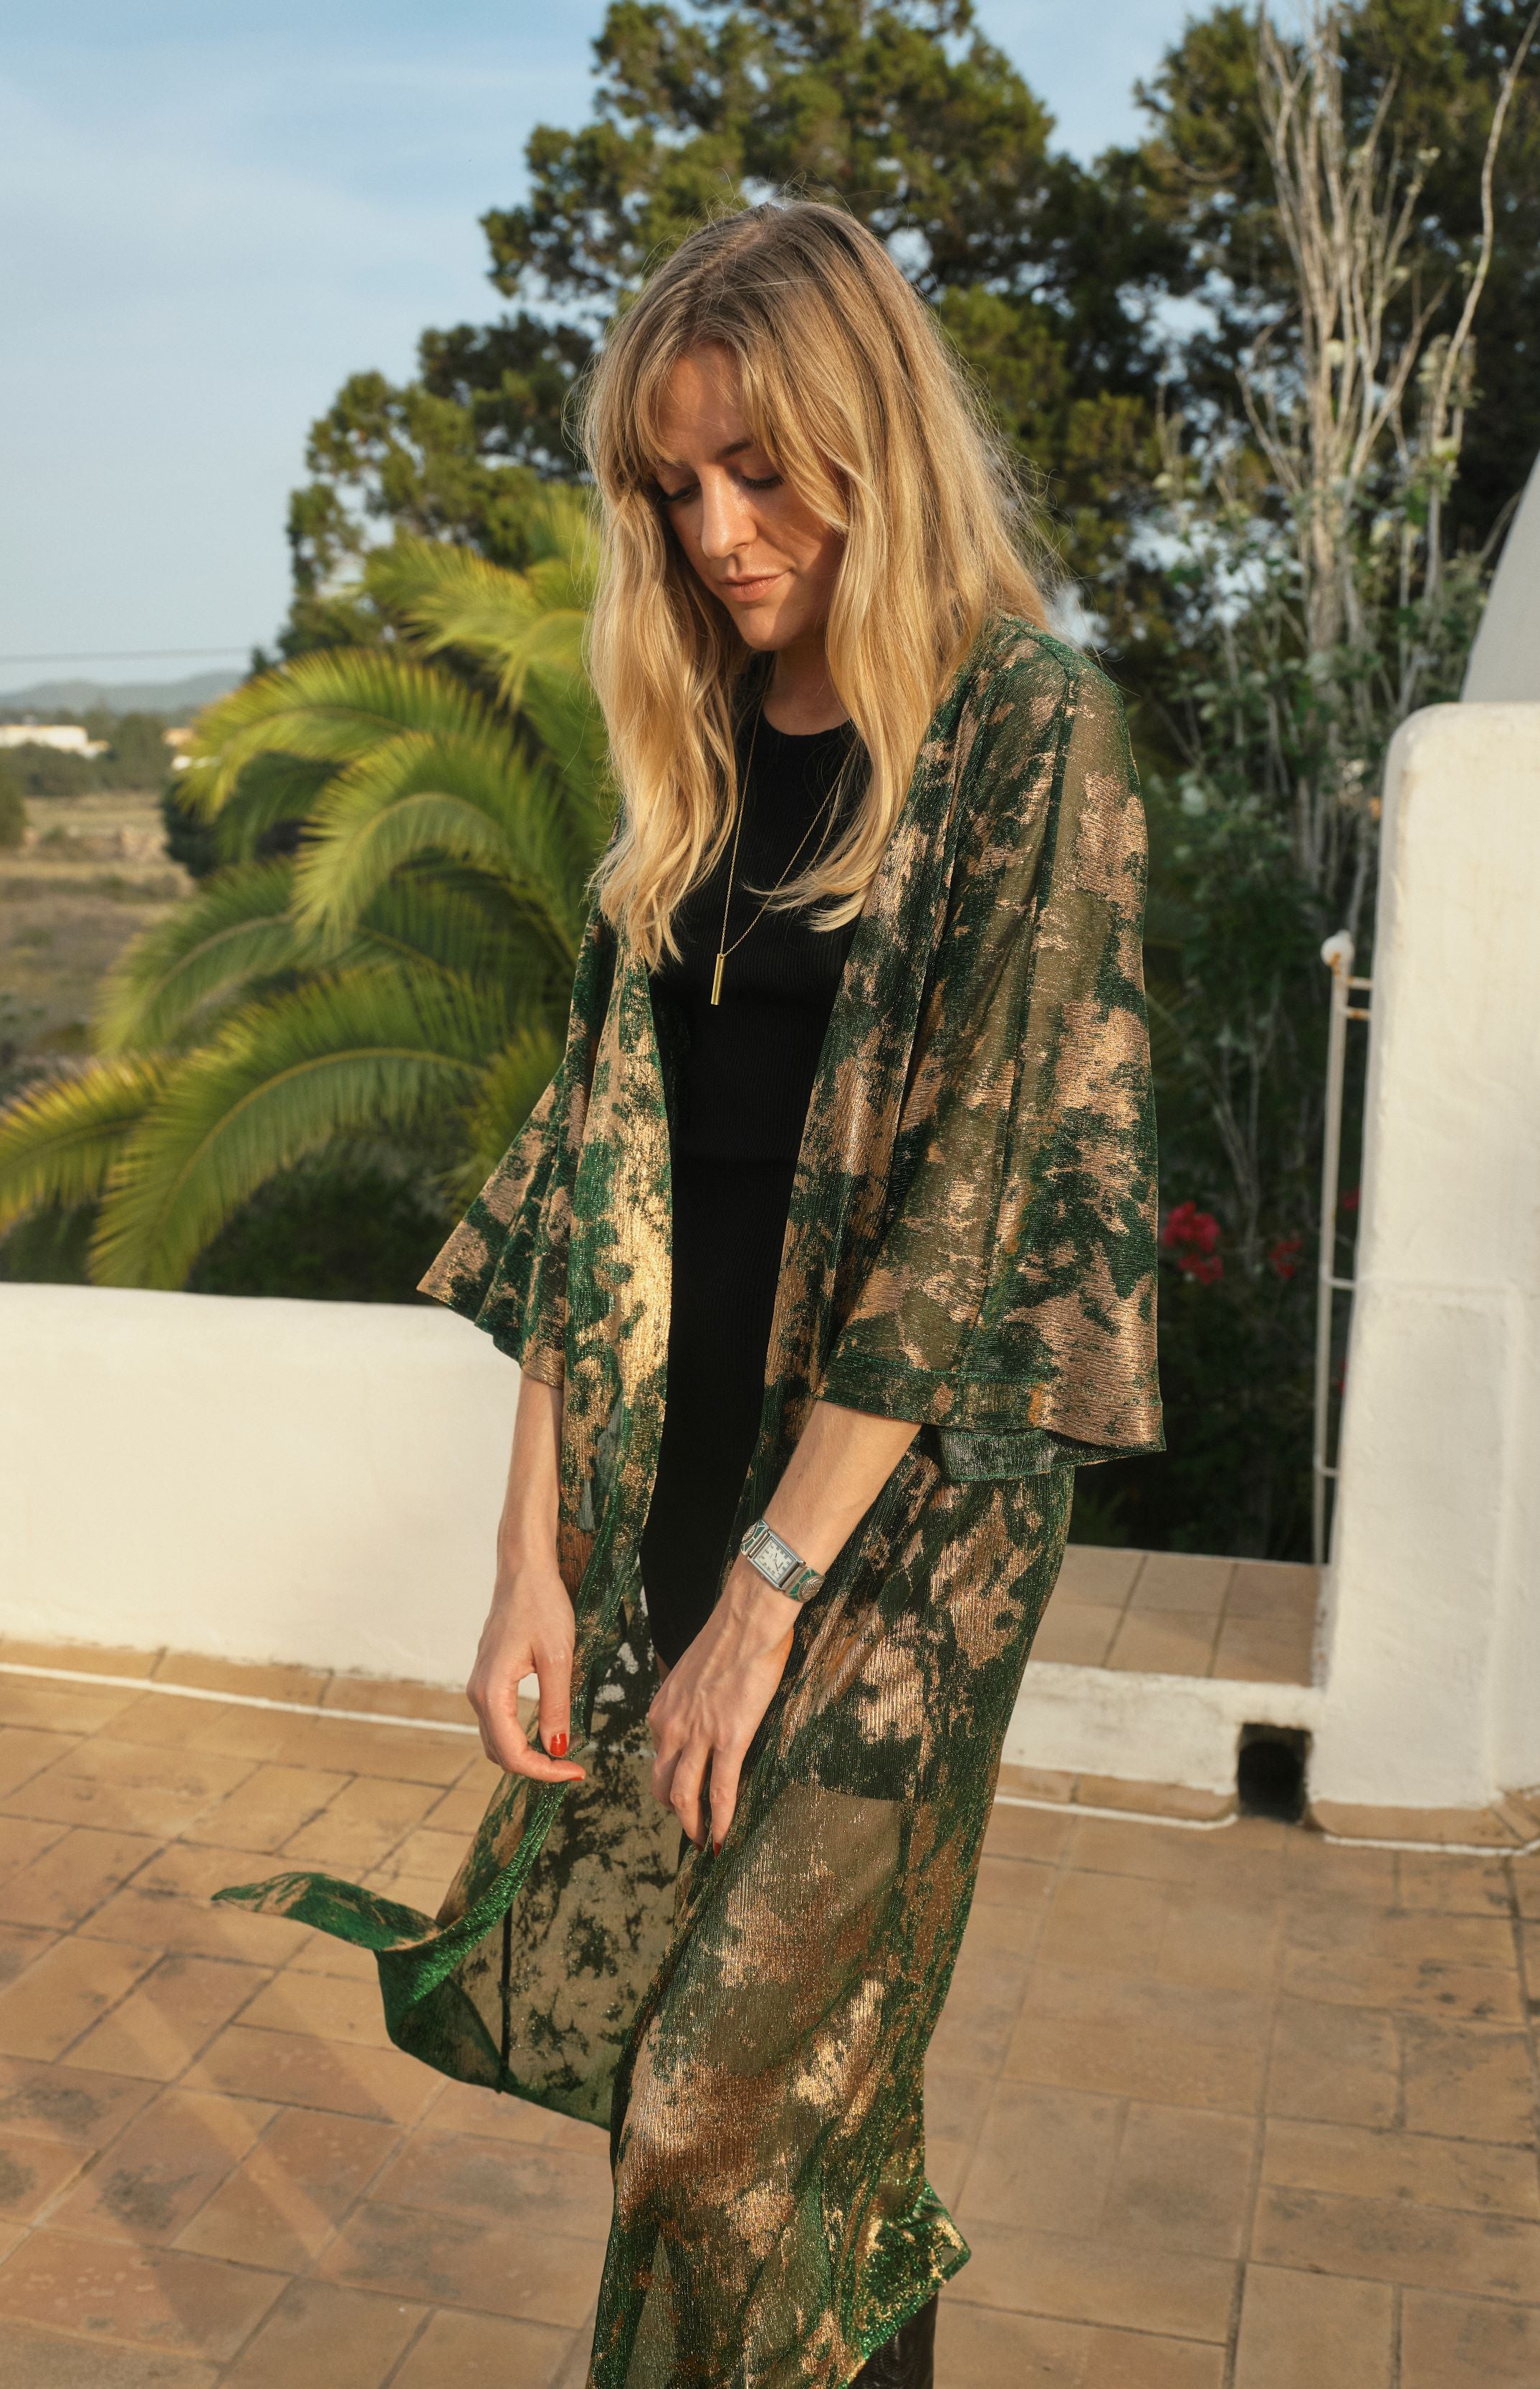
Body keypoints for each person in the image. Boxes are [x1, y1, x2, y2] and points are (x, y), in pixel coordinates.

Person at [216, 199, 1161, 2389]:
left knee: (714, 2110)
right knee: (775, 2093)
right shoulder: (701, 744)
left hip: (890, 1514)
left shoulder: (1026, 730)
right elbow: (590, 1184)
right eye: (672, 486)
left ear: (870, 440)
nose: (719, 533)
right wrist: (528, 1562)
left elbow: (967, 1210)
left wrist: (767, 1594)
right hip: (673, 1462)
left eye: (759, 471)